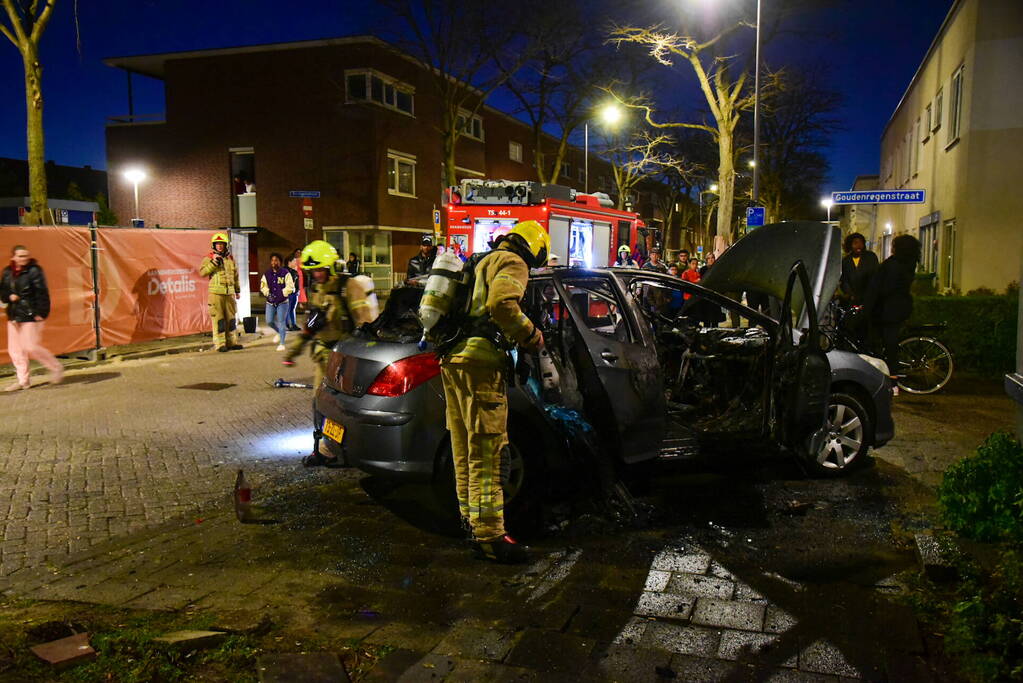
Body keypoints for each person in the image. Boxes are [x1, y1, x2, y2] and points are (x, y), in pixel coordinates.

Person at [440, 220, 548, 564]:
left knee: (465, 447)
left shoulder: (481, 260)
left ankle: (471, 523)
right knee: (488, 450)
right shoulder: (512, 263)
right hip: (481, 363)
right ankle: (491, 537)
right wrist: (531, 335)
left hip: (453, 359)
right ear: (534, 249)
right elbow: (503, 305)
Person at [284, 241, 376, 439]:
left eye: (320, 270)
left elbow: (366, 325)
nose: (316, 275)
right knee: (319, 402)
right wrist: (293, 352)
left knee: (343, 406)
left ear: (331, 266)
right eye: (313, 271)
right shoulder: (317, 291)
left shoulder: (349, 287)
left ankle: (347, 444)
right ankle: (323, 445)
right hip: (323, 356)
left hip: (346, 359)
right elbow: (311, 327)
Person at [0, 245, 63, 390]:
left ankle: (55, 367)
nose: (24, 259)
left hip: (30, 314)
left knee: (30, 346)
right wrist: (9, 296)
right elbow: (2, 292)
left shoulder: (34, 271)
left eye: (26, 256)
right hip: (14, 314)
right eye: (21, 256)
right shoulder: (7, 272)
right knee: (15, 350)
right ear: (13, 257)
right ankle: (23, 381)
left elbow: (42, 293)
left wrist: (41, 312)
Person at [864, 234, 920, 377]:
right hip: (899, 307)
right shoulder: (908, 262)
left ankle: (892, 376)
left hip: (889, 309)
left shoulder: (895, 265)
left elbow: (886, 287)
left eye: (894, 245)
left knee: (889, 342)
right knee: (889, 340)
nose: (891, 248)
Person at [199, 233, 243, 352]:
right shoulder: (209, 258)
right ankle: (220, 344)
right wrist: (213, 263)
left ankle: (232, 342)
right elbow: (202, 272)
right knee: (219, 320)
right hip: (216, 294)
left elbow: (235, 275)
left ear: (225, 245)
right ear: (214, 245)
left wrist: (237, 290)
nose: (219, 246)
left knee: (231, 319)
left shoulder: (230, 259)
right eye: (217, 244)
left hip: (229, 294)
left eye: (222, 244)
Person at [260, 252, 295, 351]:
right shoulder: (267, 274)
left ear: (280, 262)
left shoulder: (285, 273)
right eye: (272, 260)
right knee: (269, 321)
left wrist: (282, 294)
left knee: (281, 322)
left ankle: (282, 343)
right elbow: (263, 286)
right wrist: (267, 294)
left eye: (276, 260)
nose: (274, 262)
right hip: (270, 302)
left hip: (283, 303)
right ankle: (280, 332)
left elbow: (290, 287)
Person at [839, 232, 879, 306]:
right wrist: (850, 294)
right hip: (852, 299)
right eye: (855, 243)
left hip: (869, 298)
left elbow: (876, 275)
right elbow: (845, 280)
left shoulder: (871, 257)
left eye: (861, 243)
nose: (859, 246)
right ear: (850, 245)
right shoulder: (846, 261)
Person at [286, 248, 305, 331]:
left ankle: (293, 324)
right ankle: (288, 324)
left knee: (292, 309)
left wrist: (298, 291)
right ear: (289, 263)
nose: (295, 263)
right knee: (288, 308)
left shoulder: (295, 271)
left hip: (295, 292)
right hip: (289, 293)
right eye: (294, 261)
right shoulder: (286, 271)